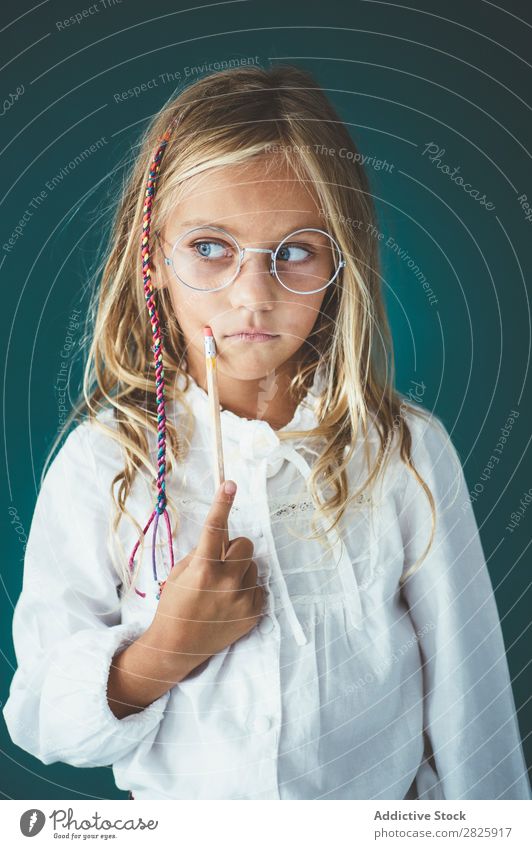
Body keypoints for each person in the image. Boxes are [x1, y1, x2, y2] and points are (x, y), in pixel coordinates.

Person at [3, 64, 530, 801]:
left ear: (339, 262)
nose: (253, 294)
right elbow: (39, 717)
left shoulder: (405, 452)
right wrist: (163, 648)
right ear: (152, 257)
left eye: (295, 251)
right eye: (211, 247)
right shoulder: (103, 462)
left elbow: (473, 704)